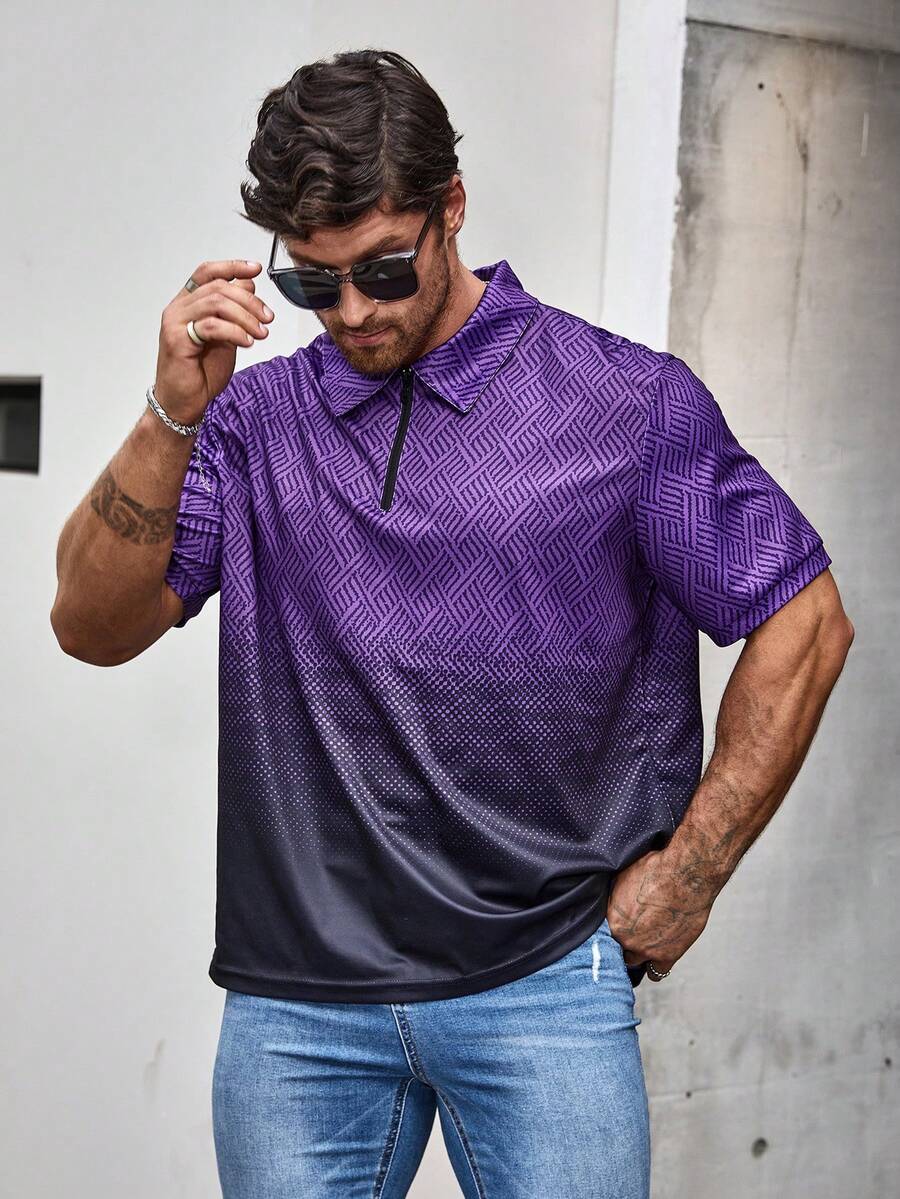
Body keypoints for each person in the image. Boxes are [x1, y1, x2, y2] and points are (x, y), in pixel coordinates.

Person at [51, 48, 854, 1199]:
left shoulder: (623, 404)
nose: (353, 311)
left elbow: (805, 620)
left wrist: (694, 870)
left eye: (384, 268)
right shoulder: (251, 419)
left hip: (541, 980)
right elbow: (90, 624)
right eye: (315, 284)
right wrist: (170, 410)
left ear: (452, 208)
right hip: (297, 1002)